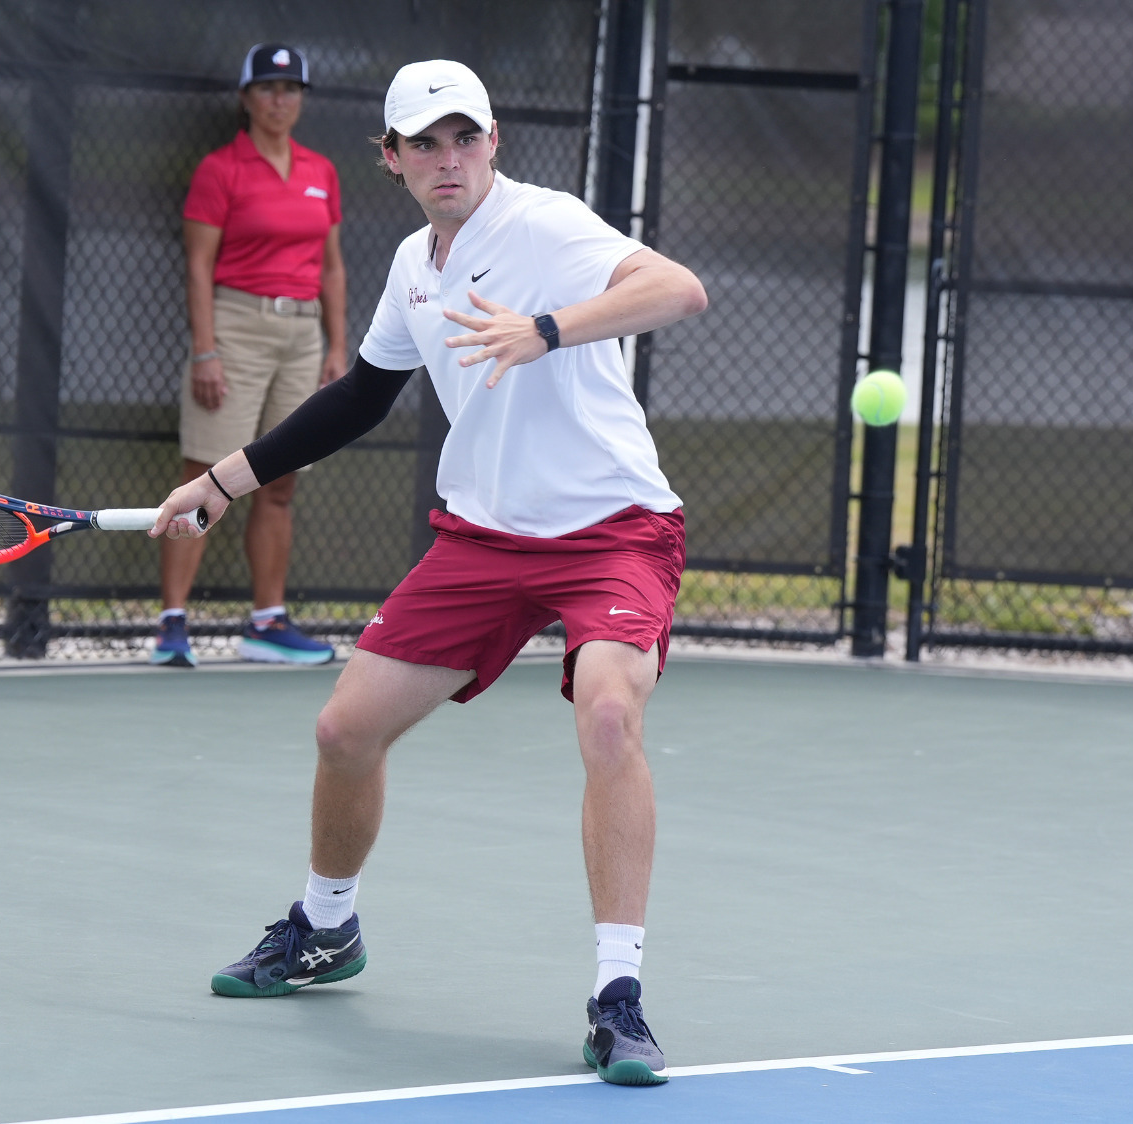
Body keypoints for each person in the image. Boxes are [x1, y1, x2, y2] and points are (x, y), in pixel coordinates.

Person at [150, 60, 707, 1087]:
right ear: (393, 158)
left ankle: (616, 995)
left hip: (612, 528)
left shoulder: (545, 225)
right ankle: (325, 928)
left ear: (492, 141)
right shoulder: (414, 260)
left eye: (463, 138)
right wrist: (225, 477)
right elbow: (363, 394)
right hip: (484, 538)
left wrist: (542, 330)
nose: (446, 159)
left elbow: (676, 288)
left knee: (607, 716)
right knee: (343, 727)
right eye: (424, 143)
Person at [155, 43, 347, 669]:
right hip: (234, 328)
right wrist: (205, 350)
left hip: (302, 335)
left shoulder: (321, 170)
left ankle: (266, 623)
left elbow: (331, 266)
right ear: (245, 98)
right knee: (204, 473)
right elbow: (197, 266)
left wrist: (336, 346)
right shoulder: (221, 169)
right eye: (266, 88)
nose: (279, 100)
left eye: (291, 90)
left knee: (282, 477)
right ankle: (172, 625)